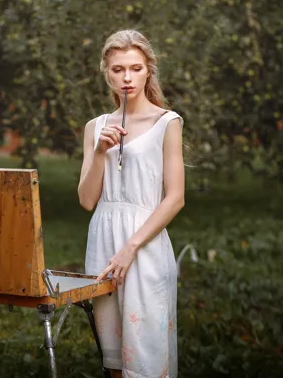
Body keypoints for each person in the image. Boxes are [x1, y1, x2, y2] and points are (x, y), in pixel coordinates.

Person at [78, 29, 185, 378]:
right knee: (114, 361)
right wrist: (99, 152)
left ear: (149, 70)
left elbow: (176, 198)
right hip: (103, 249)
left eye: (136, 68)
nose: (127, 78)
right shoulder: (95, 127)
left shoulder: (166, 122)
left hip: (144, 247)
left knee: (147, 361)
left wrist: (131, 248)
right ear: (105, 72)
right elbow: (86, 200)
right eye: (118, 69)